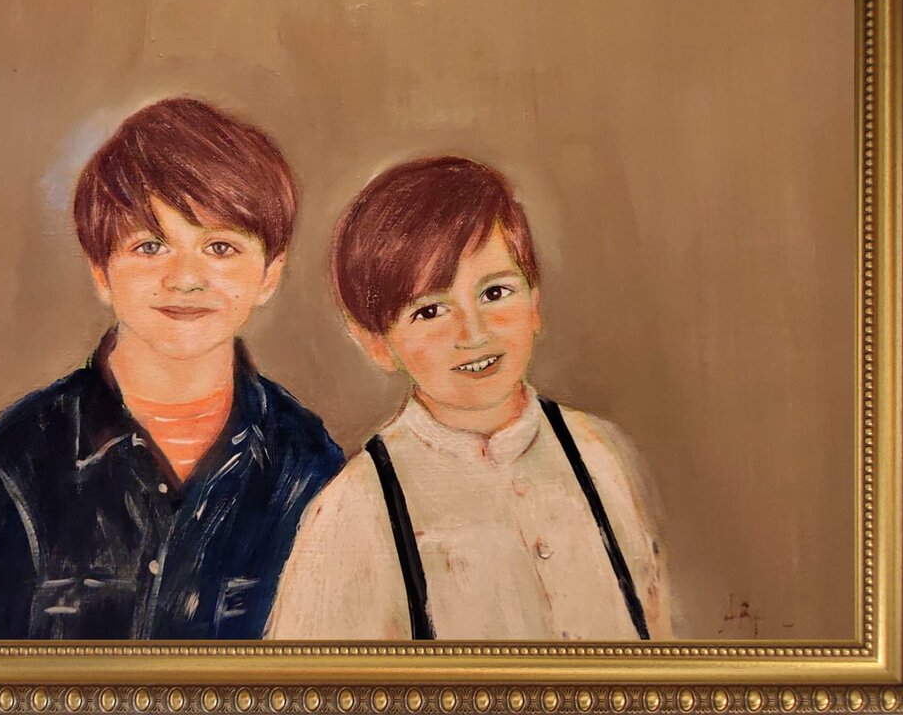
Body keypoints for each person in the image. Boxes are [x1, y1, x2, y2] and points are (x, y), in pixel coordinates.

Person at [0, 97, 343, 639]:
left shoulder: (306, 463)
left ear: (269, 275)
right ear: (101, 271)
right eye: (150, 246)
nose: (185, 278)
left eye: (220, 247)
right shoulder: (21, 459)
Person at [266, 156, 672, 640]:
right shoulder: (356, 510)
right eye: (430, 311)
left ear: (534, 303)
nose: (473, 333)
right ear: (377, 343)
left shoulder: (599, 454)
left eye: (495, 293)